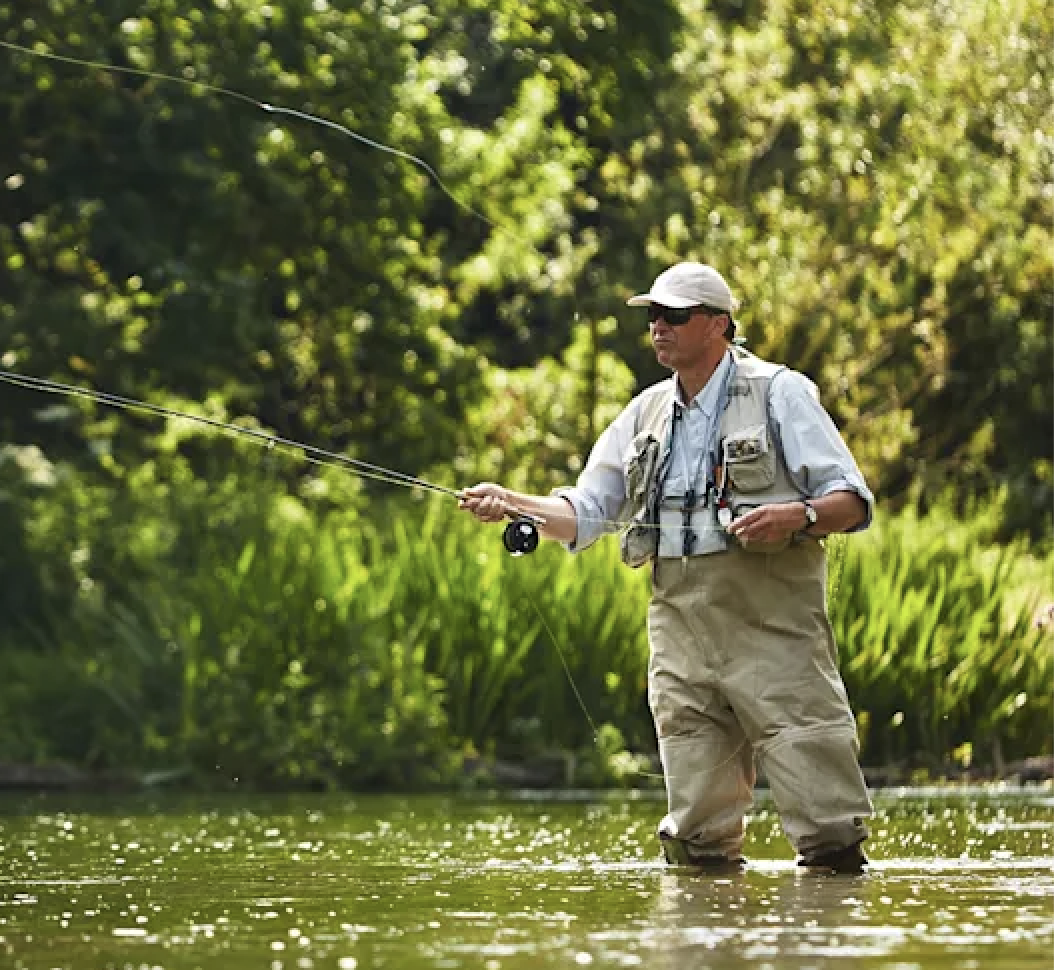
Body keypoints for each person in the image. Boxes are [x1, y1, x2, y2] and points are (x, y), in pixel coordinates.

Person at [459, 261, 874, 873]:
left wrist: (798, 516)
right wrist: (512, 502)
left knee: (829, 827)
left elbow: (852, 501)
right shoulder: (643, 413)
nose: (659, 326)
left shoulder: (781, 392)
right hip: (679, 634)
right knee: (698, 839)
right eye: (653, 314)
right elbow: (587, 512)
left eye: (675, 315)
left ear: (719, 325)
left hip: (774, 629)